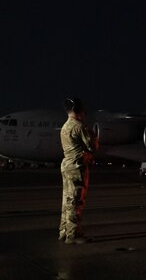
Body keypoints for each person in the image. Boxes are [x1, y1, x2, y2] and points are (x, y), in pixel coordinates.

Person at [58, 97, 97, 244]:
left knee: (67, 200)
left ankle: (64, 231)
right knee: (76, 200)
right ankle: (73, 234)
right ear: (78, 111)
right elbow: (92, 147)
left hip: (66, 165)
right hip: (76, 167)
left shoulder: (64, 127)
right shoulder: (78, 127)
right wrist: (93, 135)